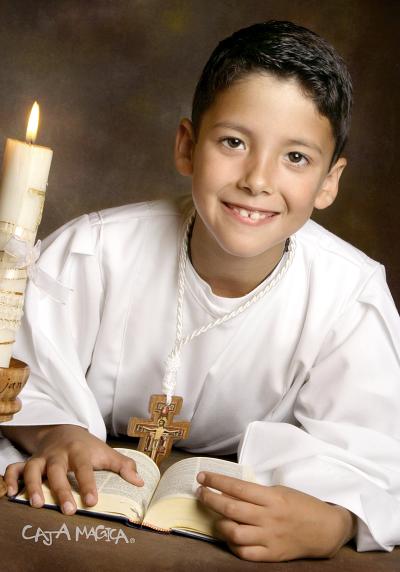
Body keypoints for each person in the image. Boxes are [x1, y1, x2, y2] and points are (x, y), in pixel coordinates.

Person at [1, 20, 399, 562]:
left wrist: (333, 520)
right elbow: (21, 366)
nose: (258, 179)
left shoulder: (349, 296)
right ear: (188, 146)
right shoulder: (94, 251)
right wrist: (52, 435)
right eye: (233, 142)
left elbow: (376, 450)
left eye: (296, 158)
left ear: (330, 181)